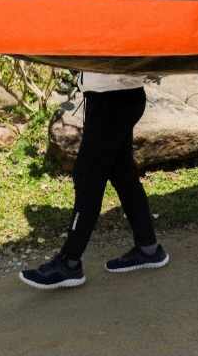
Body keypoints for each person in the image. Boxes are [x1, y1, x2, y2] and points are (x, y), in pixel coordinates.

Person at [19, 72, 168, 289]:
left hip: (112, 99)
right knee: (122, 172)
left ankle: (69, 263)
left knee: (88, 175)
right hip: (118, 96)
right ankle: (149, 248)